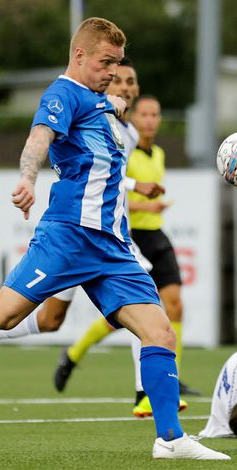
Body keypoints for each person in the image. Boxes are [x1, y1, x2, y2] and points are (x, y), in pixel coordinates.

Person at [0, 17, 228, 460]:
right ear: (79, 55)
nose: (113, 72)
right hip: (68, 237)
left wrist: (113, 106)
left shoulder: (99, 101)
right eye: (106, 62)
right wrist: (28, 178)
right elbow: (38, 140)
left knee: (160, 332)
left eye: (118, 64)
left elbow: (105, 151)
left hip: (112, 246)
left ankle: (169, 439)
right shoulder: (61, 94)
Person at [0, 58, 187, 416]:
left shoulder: (131, 133)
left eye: (129, 81)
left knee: (145, 306)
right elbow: (89, 171)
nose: (121, 85)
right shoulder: (86, 112)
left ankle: (143, 394)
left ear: (135, 91)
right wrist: (138, 187)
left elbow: (109, 177)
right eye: (116, 78)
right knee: (49, 321)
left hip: (110, 239)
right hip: (76, 234)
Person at [56, 94, 201, 418]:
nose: (150, 120)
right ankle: (74, 353)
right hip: (126, 235)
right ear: (134, 118)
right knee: (126, 316)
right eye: (145, 114)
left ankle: (171, 374)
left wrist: (153, 209)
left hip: (156, 235)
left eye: (156, 114)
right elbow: (112, 191)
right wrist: (144, 204)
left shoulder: (160, 154)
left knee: (174, 303)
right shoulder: (126, 149)